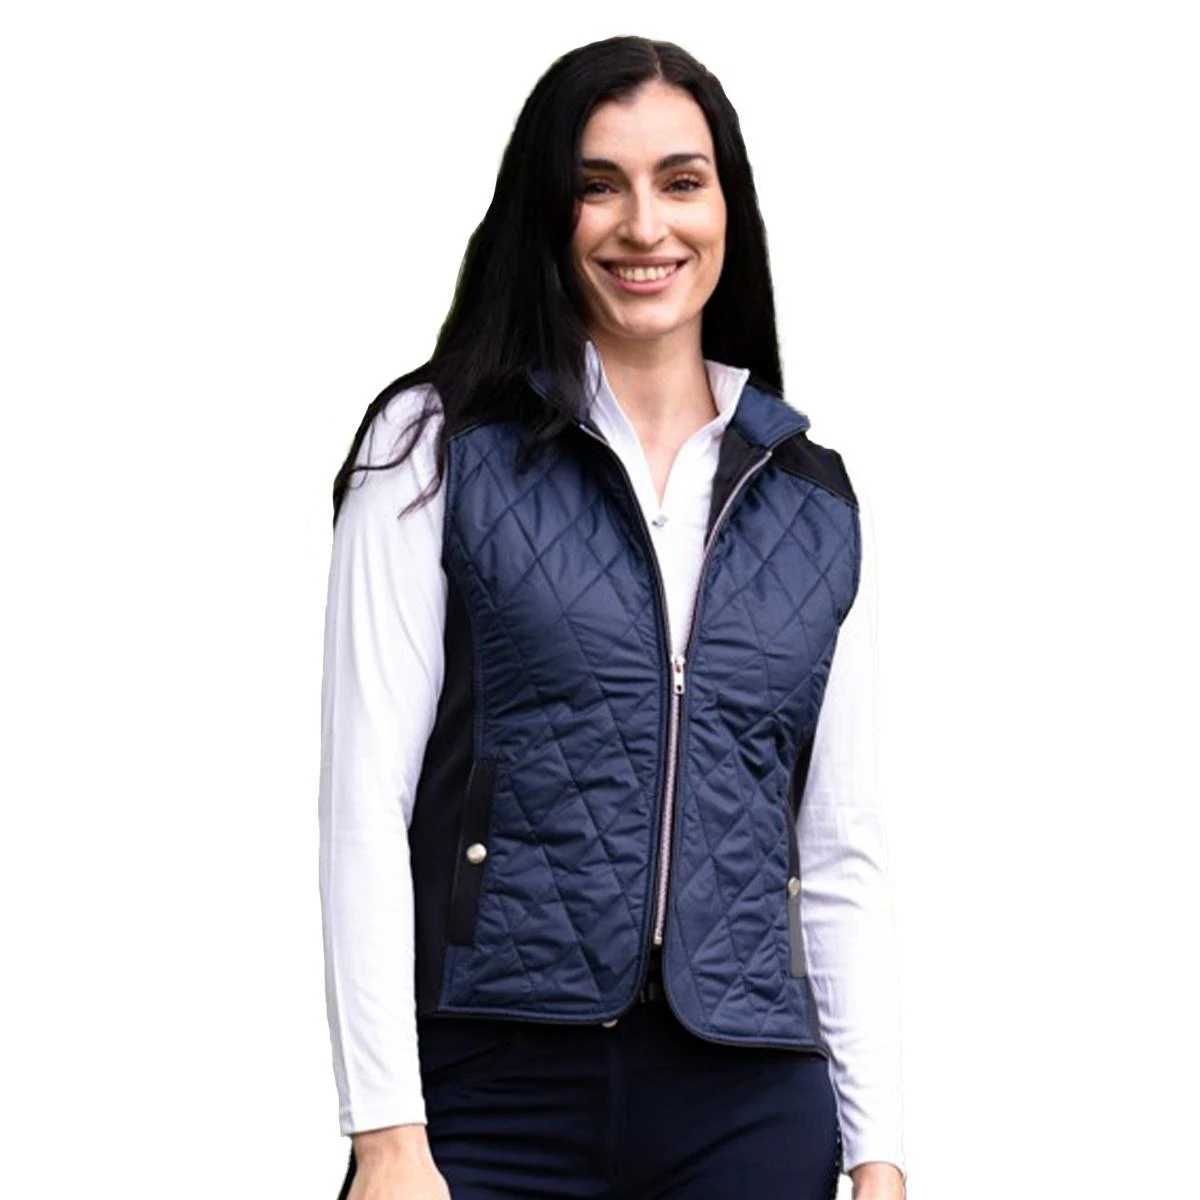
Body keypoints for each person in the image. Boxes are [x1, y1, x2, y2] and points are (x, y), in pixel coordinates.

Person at [319, 35, 906, 1200]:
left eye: (681, 181)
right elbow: (363, 802)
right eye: (600, 185)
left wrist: (879, 1151)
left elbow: (840, 846)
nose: (646, 226)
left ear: (726, 209)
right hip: (490, 1087)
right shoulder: (434, 449)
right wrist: (386, 1130)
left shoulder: (815, 503)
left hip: (749, 1101)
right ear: (550, 210)